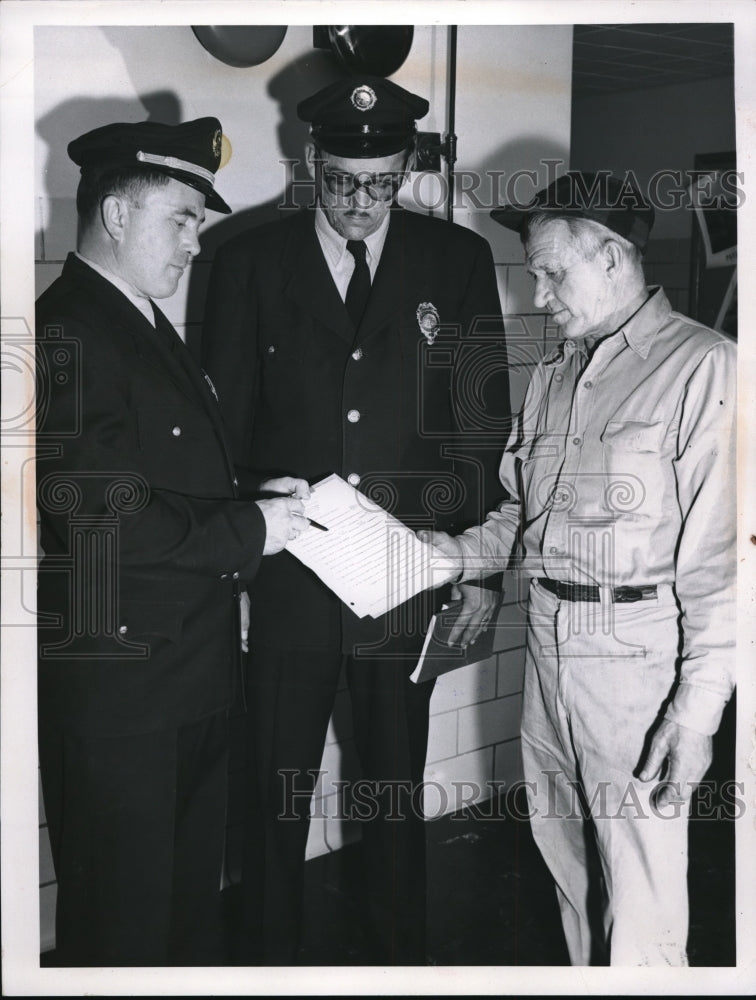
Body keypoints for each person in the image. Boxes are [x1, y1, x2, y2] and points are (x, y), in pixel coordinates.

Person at [201, 75, 511, 965]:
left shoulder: (455, 261)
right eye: (341, 182)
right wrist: (240, 571)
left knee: (393, 786)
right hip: (292, 573)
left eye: (380, 183)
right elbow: (221, 434)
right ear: (310, 164)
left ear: (406, 166)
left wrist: (474, 569)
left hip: (406, 573)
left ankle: (400, 963)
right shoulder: (250, 258)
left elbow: (478, 423)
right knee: (274, 791)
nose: (361, 203)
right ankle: (268, 966)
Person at [419, 171, 736, 966]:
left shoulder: (706, 367)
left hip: (635, 660)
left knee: (643, 893)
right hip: (548, 652)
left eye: (551, 273)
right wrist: (446, 555)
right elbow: (519, 518)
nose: (538, 294)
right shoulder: (557, 375)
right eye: (534, 274)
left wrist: (696, 718)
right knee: (566, 869)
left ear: (611, 255)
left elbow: (724, 565)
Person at [35, 117, 309, 967]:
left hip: (182, 682)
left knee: (183, 915)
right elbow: (98, 511)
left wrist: (252, 500)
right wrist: (254, 527)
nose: (196, 242)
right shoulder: (70, 329)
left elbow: (159, 477)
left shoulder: (139, 322)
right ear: (117, 216)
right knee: (123, 926)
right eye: (182, 218)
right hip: (124, 703)